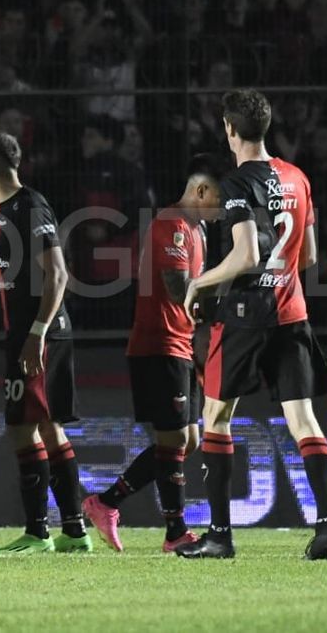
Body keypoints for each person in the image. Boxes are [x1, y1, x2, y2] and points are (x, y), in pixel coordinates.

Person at [176, 89, 327, 561]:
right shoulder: (297, 178)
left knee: (216, 417)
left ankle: (220, 535)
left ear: (229, 129)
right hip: (291, 313)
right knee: (303, 419)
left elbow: (245, 255)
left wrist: (200, 282)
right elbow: (309, 255)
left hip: (246, 316)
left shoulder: (235, 184)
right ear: (265, 127)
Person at [0, 132, 91, 554]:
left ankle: (44, 531)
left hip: (39, 334)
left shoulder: (31, 206)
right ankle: (70, 531)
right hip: (27, 333)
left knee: (26, 429)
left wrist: (36, 334)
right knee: (42, 427)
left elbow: (58, 274)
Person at [83, 156, 221, 554]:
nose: (222, 209)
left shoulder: (199, 231)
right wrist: (223, 298)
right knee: (175, 437)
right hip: (158, 343)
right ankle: (175, 532)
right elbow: (179, 289)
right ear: (199, 191)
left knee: (187, 439)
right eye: (218, 199)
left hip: (181, 343)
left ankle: (105, 502)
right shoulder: (171, 225)